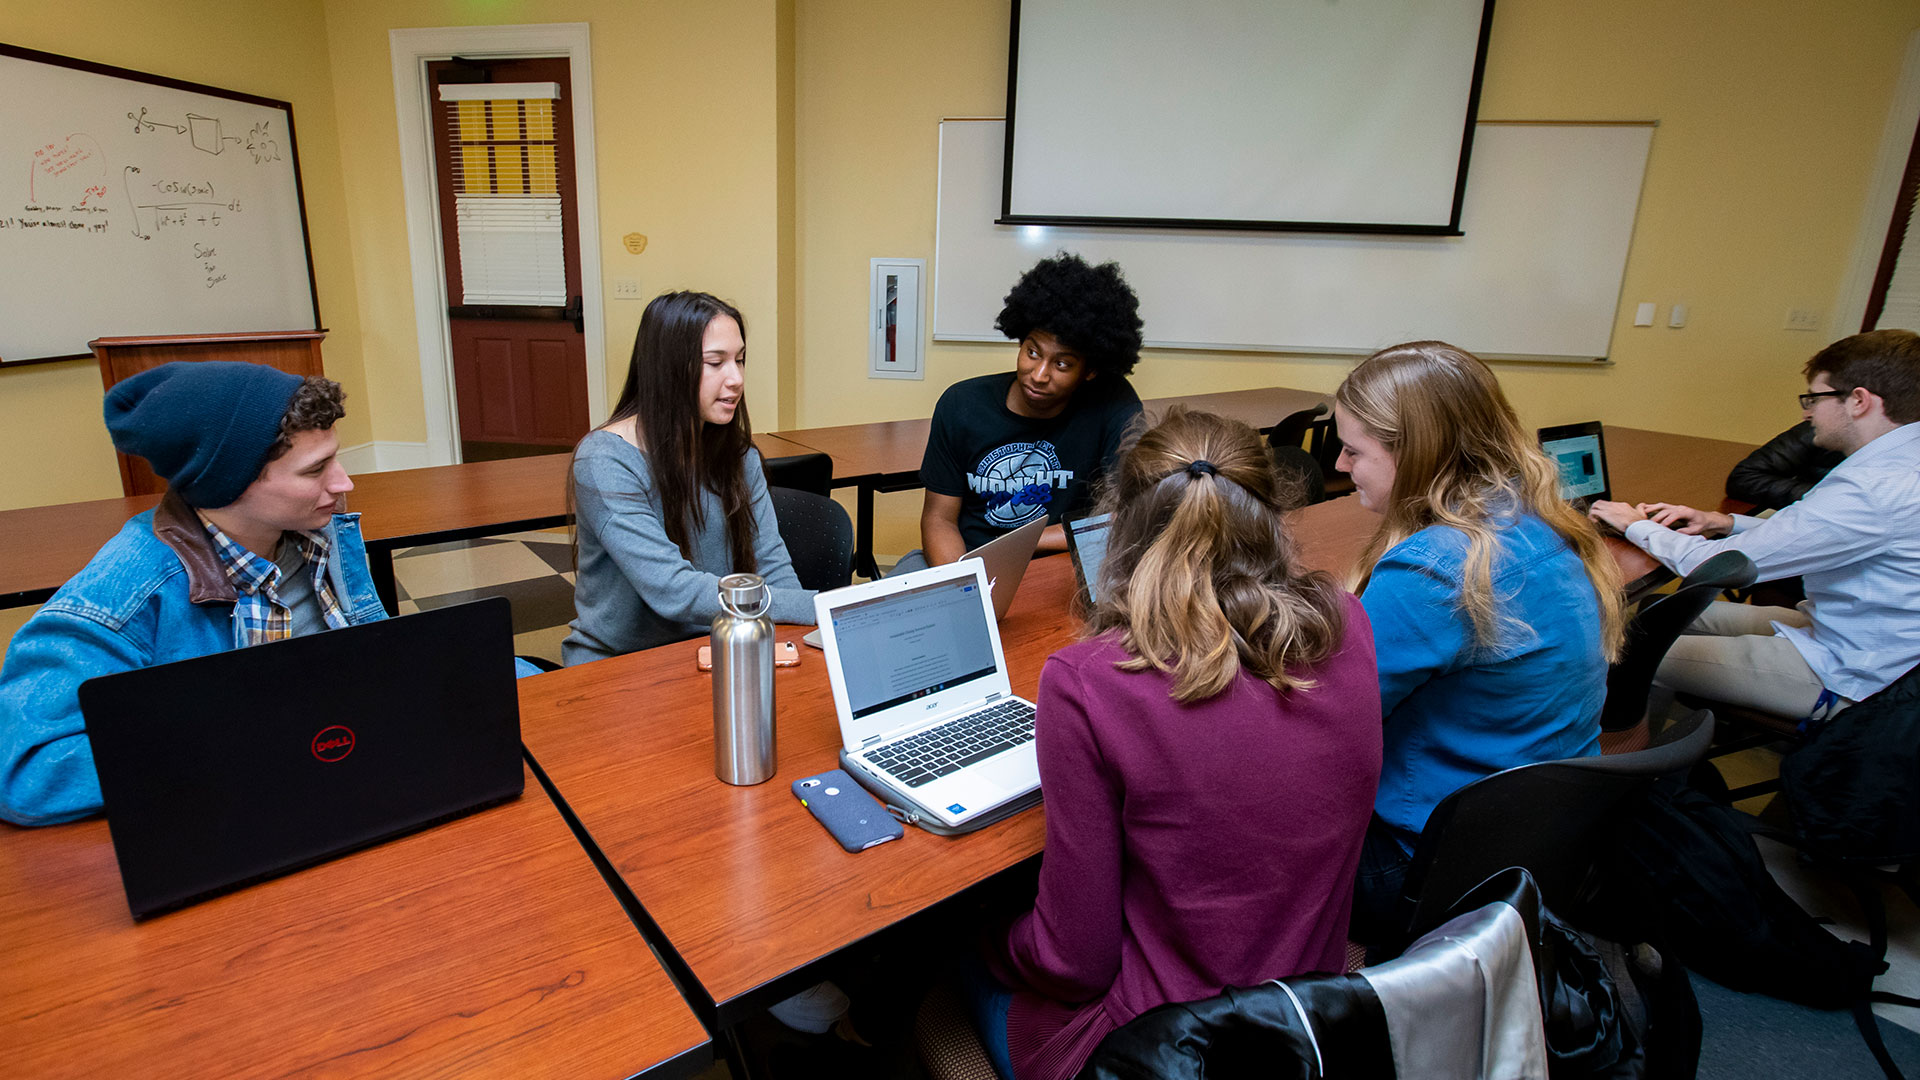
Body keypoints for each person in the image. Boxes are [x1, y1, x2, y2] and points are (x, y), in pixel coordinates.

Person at [970, 408, 1382, 1080]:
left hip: (1159, 1050)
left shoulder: (1086, 681)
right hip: (1308, 1022)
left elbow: (1073, 964)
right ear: (1271, 516)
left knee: (948, 952)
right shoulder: (1349, 623)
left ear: (1122, 529)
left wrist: (990, 937)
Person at [0, 362, 387, 826]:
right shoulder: (122, 596)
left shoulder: (320, 537)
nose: (343, 483)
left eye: (335, 458)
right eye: (315, 470)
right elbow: (28, 775)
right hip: (230, 816)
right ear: (229, 482)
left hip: (330, 776)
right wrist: (247, 735)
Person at [1334, 341, 1625, 944]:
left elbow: (1328, 722)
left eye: (1353, 449)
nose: (1339, 465)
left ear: (1411, 454)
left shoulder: (1434, 570)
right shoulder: (1538, 524)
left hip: (1430, 869)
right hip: (1537, 847)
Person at [1590, 329, 1920, 720]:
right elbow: (1816, 532)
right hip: (1864, 635)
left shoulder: (1873, 487)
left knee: (1626, 657)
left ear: (1859, 401)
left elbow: (1710, 565)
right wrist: (1725, 522)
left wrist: (1633, 524)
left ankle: (1645, 771)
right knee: (1657, 615)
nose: (1806, 412)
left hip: (1851, 672)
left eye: (1814, 398)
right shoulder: (1898, 461)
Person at [563, 291, 815, 665]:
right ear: (668, 369)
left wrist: (801, 638)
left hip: (718, 648)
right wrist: (823, 605)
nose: (736, 379)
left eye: (740, 360)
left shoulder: (739, 456)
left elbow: (772, 565)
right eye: (716, 363)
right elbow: (672, 590)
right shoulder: (604, 459)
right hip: (619, 663)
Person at [904, 253, 1144, 572]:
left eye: (1062, 364)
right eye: (1032, 352)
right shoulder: (961, 405)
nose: (1039, 374)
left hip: (1063, 567)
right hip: (970, 562)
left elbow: (1128, 517)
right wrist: (961, 582)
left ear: (1090, 371)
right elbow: (939, 518)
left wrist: (1021, 542)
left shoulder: (1113, 403)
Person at [1725, 419, 1843, 511]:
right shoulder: (1813, 430)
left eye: (1815, 401)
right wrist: (1818, 495)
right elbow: (1744, 479)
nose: (1806, 414)